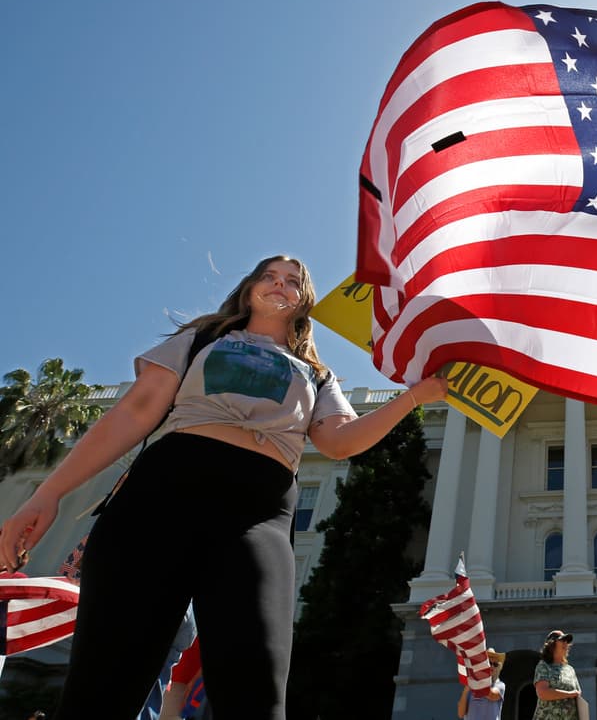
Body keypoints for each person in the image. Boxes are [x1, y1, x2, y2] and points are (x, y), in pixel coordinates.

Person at [0, 255, 449, 720]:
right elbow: (136, 411)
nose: (280, 284)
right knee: (105, 683)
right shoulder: (204, 338)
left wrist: (414, 397)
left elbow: (339, 442)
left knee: (256, 684)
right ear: (250, 288)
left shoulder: (317, 374)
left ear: (303, 301)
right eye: (269, 276)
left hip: (258, 514)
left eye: (292, 281)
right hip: (160, 498)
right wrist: (47, 493)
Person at [533, 630, 582, 720]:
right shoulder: (543, 666)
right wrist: (569, 694)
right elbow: (543, 693)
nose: (566, 643)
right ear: (552, 645)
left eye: (567, 641)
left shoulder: (570, 670)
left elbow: (578, 697)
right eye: (562, 640)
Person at [458, 649, 506, 720]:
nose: (492, 666)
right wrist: (466, 690)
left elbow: (492, 695)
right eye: (489, 663)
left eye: (495, 664)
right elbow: (461, 714)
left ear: (498, 668)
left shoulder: (500, 685)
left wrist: (477, 679)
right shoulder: (472, 684)